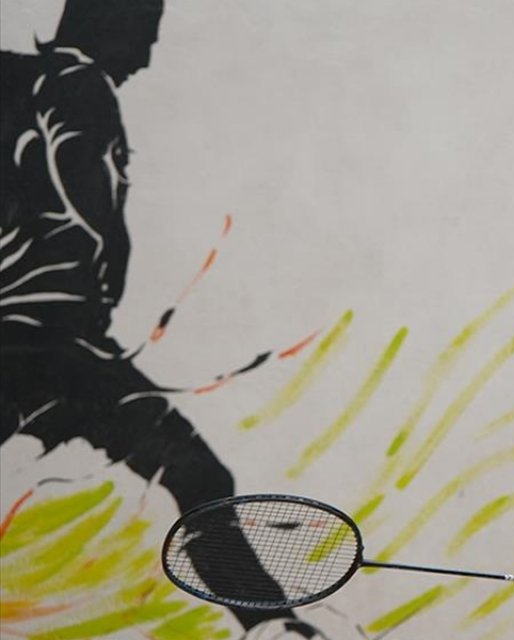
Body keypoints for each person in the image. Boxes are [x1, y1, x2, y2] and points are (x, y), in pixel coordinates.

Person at [0, 1, 322, 637]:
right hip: (55, 342)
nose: (147, 56)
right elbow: (84, 218)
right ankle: (271, 625)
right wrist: (96, 286)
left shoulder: (24, 80)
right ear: (107, 27)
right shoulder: (80, 87)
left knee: (195, 473)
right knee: (197, 473)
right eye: (143, 35)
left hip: (49, 339)